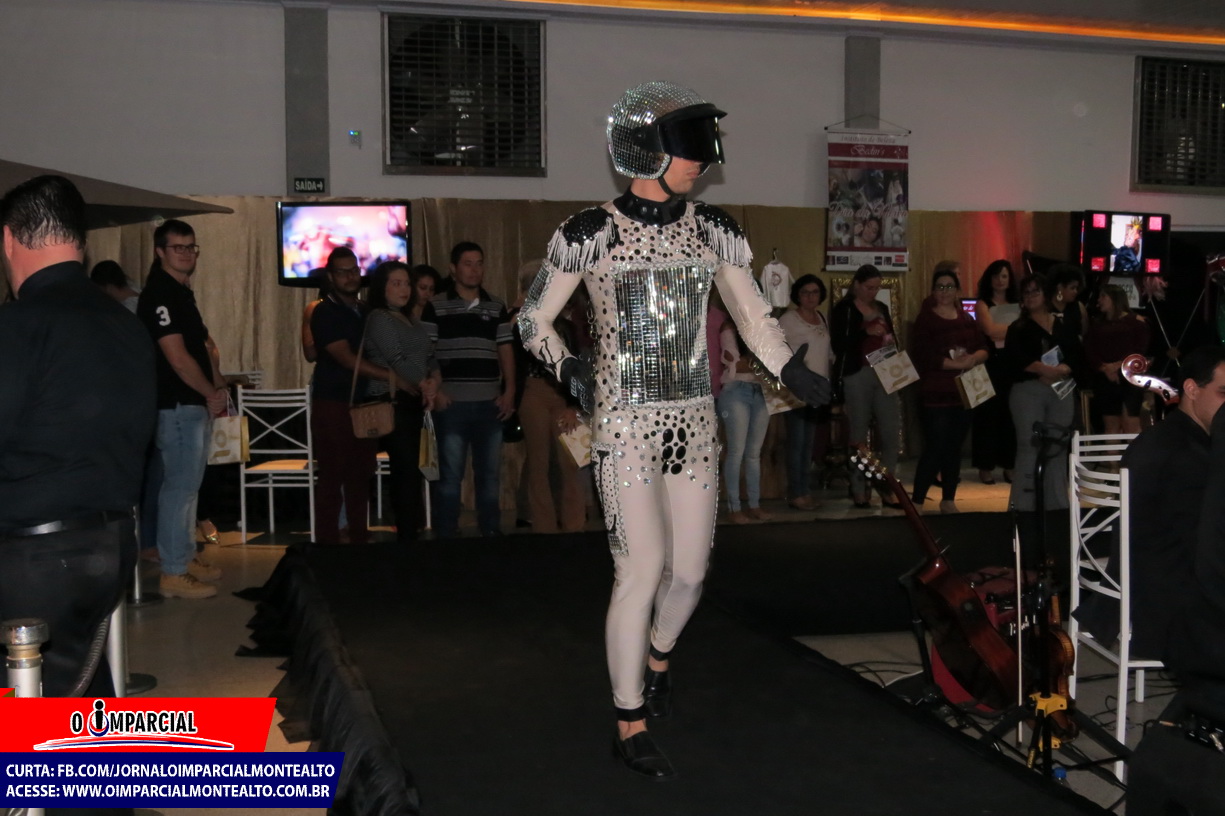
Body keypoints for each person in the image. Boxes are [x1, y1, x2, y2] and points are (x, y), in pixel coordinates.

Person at [517, 80, 830, 779]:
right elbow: (531, 318)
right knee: (640, 570)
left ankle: (658, 657)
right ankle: (627, 720)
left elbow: (752, 315)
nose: (704, 163)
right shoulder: (587, 232)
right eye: (692, 148)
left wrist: (788, 368)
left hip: (693, 420)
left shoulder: (713, 228)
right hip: (623, 423)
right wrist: (566, 367)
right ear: (646, 149)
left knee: (688, 574)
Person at [0, 175, 155, 704]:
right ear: (80, 243)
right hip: (110, 548)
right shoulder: (126, 326)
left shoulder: (19, 324)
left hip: (32, 557)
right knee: (80, 686)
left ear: (8, 239)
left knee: (33, 705)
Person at [1127, 351, 1225, 816]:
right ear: (1190, 389)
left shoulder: (1176, 440)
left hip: (1167, 578)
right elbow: (1203, 556)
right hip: (1169, 601)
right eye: (1223, 393)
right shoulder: (1185, 454)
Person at [137, 219, 227, 599]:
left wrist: (216, 386)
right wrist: (210, 392)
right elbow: (176, 357)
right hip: (177, 403)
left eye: (192, 247)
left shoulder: (180, 291)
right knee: (179, 488)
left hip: (190, 402)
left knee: (188, 488)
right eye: (179, 247)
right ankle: (173, 570)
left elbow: (203, 348)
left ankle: (184, 557)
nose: (187, 253)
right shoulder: (160, 293)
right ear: (160, 251)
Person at [420, 242, 516, 538]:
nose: (474, 270)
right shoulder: (436, 305)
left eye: (479, 263)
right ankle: (447, 535)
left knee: (489, 475)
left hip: (490, 402)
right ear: (453, 268)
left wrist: (510, 390)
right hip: (452, 404)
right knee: (450, 476)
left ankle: (490, 532)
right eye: (467, 263)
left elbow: (505, 350)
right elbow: (425, 352)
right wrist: (436, 391)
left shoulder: (496, 305)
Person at [310, 246, 396, 545]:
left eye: (354, 270)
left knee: (361, 475)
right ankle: (327, 545)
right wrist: (391, 376)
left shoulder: (366, 311)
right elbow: (346, 358)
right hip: (332, 402)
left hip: (366, 403)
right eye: (342, 272)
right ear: (331, 277)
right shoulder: (324, 311)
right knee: (332, 476)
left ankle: (359, 538)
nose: (350, 276)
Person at [362, 261, 440, 543]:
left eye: (407, 283)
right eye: (396, 283)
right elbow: (396, 359)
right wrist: (424, 384)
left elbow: (430, 356)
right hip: (390, 401)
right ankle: (406, 536)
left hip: (412, 399)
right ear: (382, 287)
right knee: (405, 471)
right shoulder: (379, 317)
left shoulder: (411, 319)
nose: (404, 289)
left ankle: (411, 532)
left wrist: (433, 382)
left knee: (411, 470)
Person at [513, 259, 587, 533]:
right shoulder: (522, 322)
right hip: (533, 391)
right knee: (539, 463)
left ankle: (574, 525)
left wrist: (573, 404)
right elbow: (516, 361)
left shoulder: (566, 326)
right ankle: (544, 529)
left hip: (562, 394)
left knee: (570, 462)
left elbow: (577, 367)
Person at [910, 264, 987, 513]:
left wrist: (973, 358)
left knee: (954, 447)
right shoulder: (926, 319)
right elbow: (922, 356)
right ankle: (918, 500)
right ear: (933, 291)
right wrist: (954, 364)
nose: (944, 292)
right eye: (940, 287)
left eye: (949, 287)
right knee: (935, 446)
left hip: (963, 392)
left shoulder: (967, 319)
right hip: (935, 393)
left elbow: (983, 347)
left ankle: (949, 499)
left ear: (958, 291)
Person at [1004, 273, 1080, 516]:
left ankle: (1057, 504)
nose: (1030, 296)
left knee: (1058, 445)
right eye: (1026, 293)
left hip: (1061, 389)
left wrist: (1064, 369)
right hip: (1028, 391)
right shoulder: (1018, 328)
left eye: (1035, 291)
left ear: (1046, 294)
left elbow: (1076, 354)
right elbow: (1015, 359)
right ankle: (1024, 506)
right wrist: (1043, 370)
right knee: (1030, 445)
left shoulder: (1062, 325)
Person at [830, 264, 902, 509]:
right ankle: (859, 488)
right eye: (869, 287)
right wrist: (866, 332)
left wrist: (891, 345)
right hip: (858, 374)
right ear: (857, 285)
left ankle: (886, 486)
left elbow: (891, 337)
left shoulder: (881, 308)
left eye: (877, 288)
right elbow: (839, 344)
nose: (873, 292)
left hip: (885, 372)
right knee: (858, 435)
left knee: (891, 433)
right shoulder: (845, 309)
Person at [778, 274, 832, 509]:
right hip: (798, 387)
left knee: (809, 442)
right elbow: (778, 350)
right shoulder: (789, 319)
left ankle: (805, 490)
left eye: (815, 292)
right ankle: (796, 492)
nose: (810, 297)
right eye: (805, 292)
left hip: (817, 388)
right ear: (797, 295)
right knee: (797, 441)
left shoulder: (821, 317)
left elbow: (827, 352)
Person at [718, 320, 773, 523]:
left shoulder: (762, 328)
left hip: (761, 390)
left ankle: (754, 505)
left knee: (754, 453)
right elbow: (736, 364)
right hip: (736, 390)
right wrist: (760, 361)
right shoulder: (730, 329)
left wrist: (758, 362)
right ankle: (734, 507)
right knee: (736, 451)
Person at [971, 259, 1019, 485]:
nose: (1000, 280)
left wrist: (1007, 331)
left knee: (1011, 416)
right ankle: (985, 466)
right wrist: (1014, 329)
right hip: (989, 365)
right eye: (996, 276)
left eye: (1004, 276)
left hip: (1013, 363)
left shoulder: (1018, 304)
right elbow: (990, 331)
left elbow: (1022, 332)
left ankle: (1009, 465)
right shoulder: (983, 304)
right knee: (987, 417)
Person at [1085, 284, 1151, 435]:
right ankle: (1112, 452)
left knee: (1131, 423)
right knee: (1111, 425)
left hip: (1130, 377)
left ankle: (1134, 451)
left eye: (1103, 296)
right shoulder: (1097, 325)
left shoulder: (1136, 322)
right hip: (1105, 379)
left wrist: (1118, 365)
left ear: (1115, 298)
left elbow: (1140, 350)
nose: (1099, 300)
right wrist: (1104, 368)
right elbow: (1089, 350)